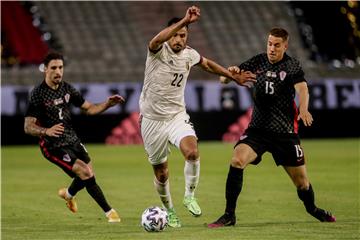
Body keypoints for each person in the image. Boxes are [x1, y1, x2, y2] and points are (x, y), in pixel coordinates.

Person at [139, 6, 256, 228]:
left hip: (176, 116)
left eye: (183, 35)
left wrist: (232, 76)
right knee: (161, 172)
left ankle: (189, 196)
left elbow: (207, 64)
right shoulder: (157, 50)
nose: (178, 39)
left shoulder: (189, 54)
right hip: (152, 120)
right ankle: (169, 210)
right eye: (175, 34)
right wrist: (184, 21)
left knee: (192, 151)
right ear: (169, 33)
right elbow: (156, 39)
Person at [207, 27, 336, 228]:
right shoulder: (257, 61)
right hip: (257, 130)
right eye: (269, 44)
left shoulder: (291, 65)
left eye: (277, 45)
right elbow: (224, 79)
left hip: (285, 133)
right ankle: (229, 215)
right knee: (237, 160)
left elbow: (302, 88)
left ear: (285, 46)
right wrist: (229, 73)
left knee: (302, 184)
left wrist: (303, 109)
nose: (272, 49)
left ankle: (313, 209)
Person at [24, 52, 125, 223]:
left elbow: (90, 109)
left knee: (88, 173)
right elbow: (28, 127)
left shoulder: (67, 89)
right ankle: (110, 213)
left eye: (61, 68)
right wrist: (45, 131)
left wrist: (108, 104)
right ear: (45, 70)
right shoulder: (38, 94)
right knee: (85, 172)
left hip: (72, 139)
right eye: (54, 68)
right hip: (52, 145)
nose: (58, 72)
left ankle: (68, 194)